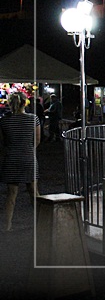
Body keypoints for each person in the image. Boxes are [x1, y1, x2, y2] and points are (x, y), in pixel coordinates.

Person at [0, 92, 41, 231]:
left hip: (11, 159)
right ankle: (41, 222)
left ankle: (7, 225)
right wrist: (27, 149)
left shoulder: (4, 121)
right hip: (28, 157)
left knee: (11, 195)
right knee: (34, 193)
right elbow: (37, 140)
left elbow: (2, 142)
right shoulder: (33, 119)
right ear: (25, 103)